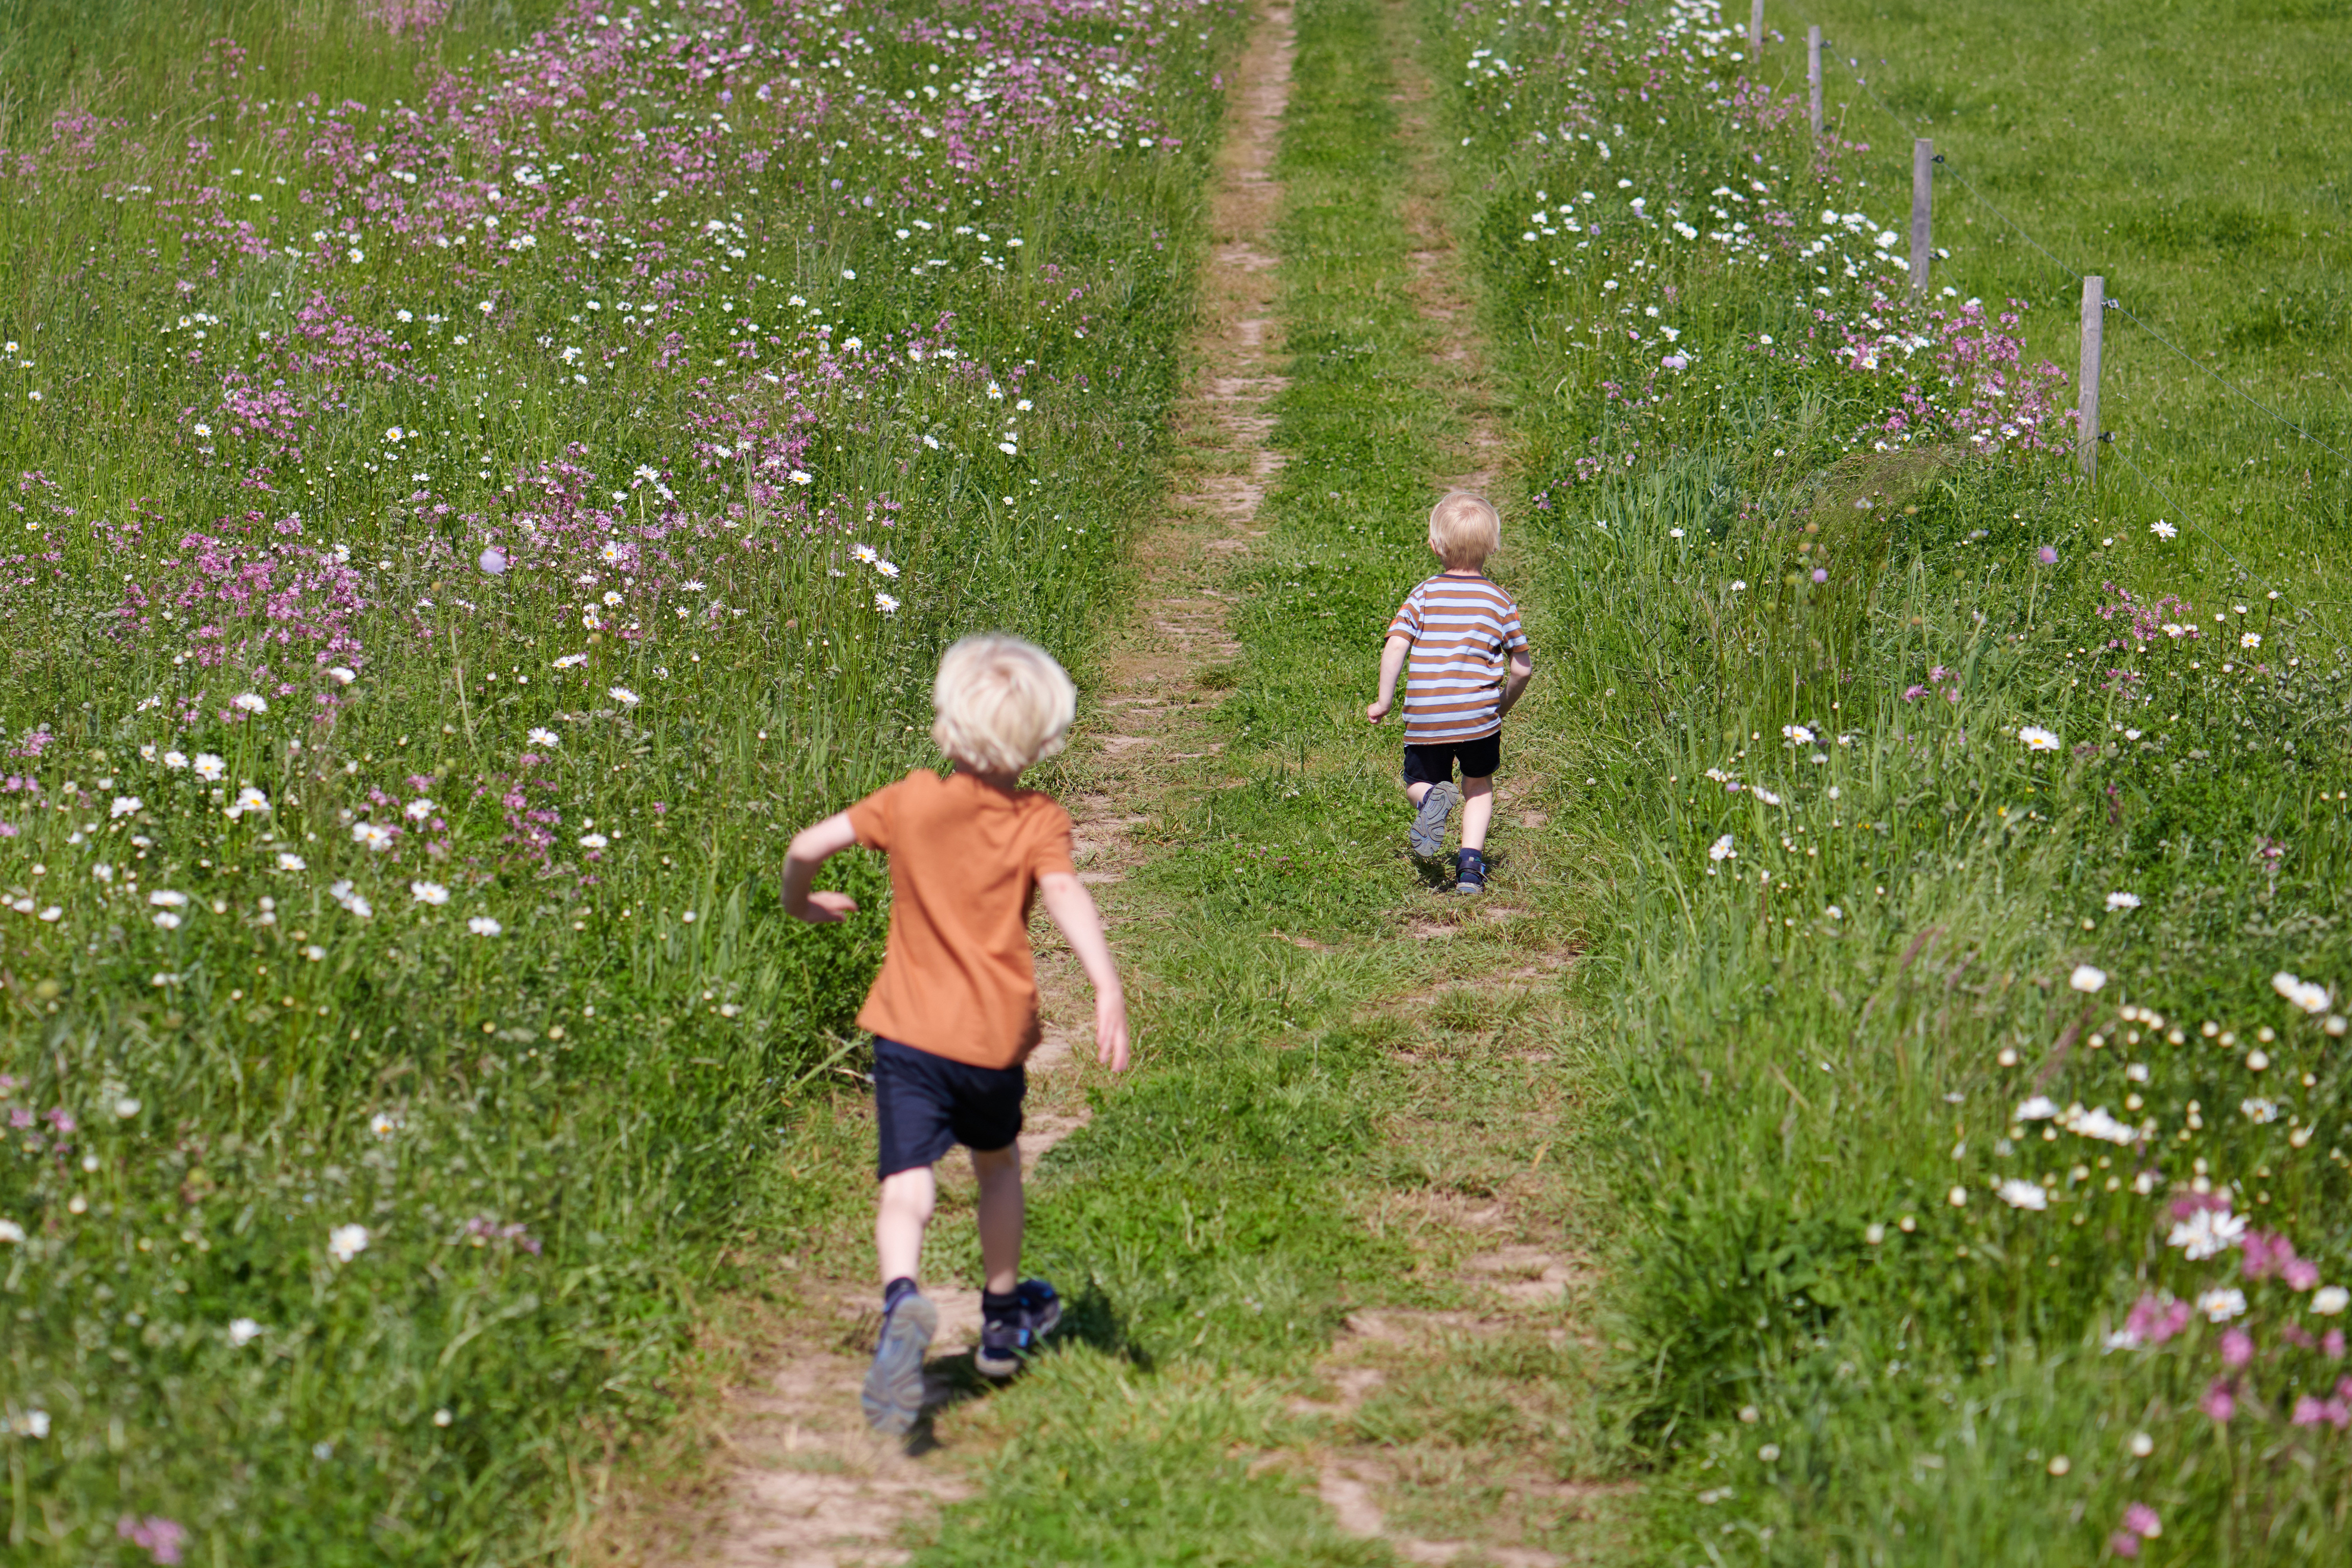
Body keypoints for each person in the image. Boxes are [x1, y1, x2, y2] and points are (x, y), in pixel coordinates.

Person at [782, 633, 1131, 1438]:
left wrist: (805, 903)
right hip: (991, 1042)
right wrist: (1105, 981)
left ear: (945, 729)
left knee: (906, 1180)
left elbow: (805, 846)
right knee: (997, 1164)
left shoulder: (907, 800)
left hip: (906, 1033)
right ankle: (1002, 1322)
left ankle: (903, 1294)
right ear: (1045, 741)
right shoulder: (1040, 819)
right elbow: (1067, 893)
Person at [1364, 490, 1535, 894]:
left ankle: (1428, 801)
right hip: (1478, 715)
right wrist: (1501, 706)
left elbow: (1395, 645)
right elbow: (1521, 667)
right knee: (1477, 785)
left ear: (1434, 546)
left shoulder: (1422, 595)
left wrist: (1384, 700)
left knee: (1415, 780)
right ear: (1492, 546)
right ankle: (1471, 867)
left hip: (1427, 714)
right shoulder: (1500, 601)